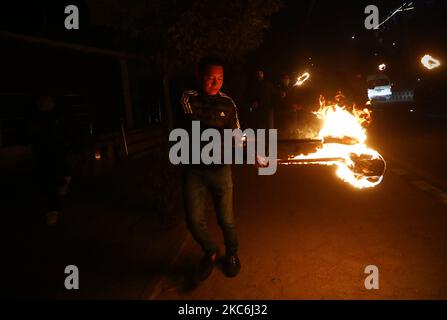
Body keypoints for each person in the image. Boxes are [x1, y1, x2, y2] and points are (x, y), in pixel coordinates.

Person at [179, 56, 241, 281]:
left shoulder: (229, 103)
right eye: (211, 78)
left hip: (221, 169)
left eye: (220, 78)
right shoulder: (188, 97)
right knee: (194, 220)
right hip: (194, 169)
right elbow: (193, 127)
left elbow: (237, 134)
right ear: (199, 76)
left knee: (226, 219)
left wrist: (254, 152)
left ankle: (232, 254)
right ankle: (211, 250)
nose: (216, 83)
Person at [29, 94, 71, 226]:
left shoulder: (56, 118)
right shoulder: (38, 119)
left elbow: (62, 133)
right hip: (46, 155)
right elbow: (35, 136)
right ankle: (52, 211)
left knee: (55, 177)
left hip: (54, 153)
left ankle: (53, 209)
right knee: (50, 181)